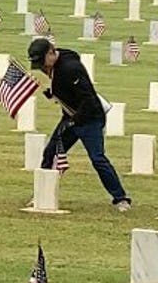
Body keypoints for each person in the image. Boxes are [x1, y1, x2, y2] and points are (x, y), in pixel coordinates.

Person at [26, 38, 132, 212]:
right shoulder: (58, 61)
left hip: (90, 119)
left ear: (51, 53)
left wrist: (76, 119)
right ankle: (42, 194)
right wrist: (54, 93)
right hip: (70, 117)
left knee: (98, 159)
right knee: (50, 152)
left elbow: (87, 99)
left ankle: (121, 198)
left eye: (42, 63)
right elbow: (65, 89)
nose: (42, 68)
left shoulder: (70, 69)